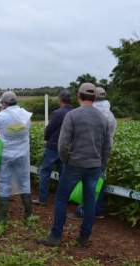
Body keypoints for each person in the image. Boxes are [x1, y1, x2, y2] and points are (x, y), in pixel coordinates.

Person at [38, 83, 111, 248]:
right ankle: (84, 239)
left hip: (74, 164)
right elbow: (107, 147)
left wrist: (66, 160)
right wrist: (102, 165)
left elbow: (63, 144)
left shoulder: (72, 115)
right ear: (94, 97)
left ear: (79, 95)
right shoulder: (102, 119)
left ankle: (56, 236)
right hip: (94, 166)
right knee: (90, 201)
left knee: (61, 198)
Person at [68, 86, 117, 220]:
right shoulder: (110, 114)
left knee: (88, 181)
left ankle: (84, 211)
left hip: (89, 153)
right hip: (104, 152)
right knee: (100, 180)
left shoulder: (92, 112)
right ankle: (98, 209)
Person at [0, 91, 33, 223]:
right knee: (25, 181)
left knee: (3, 182)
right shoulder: (25, 115)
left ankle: (1, 217)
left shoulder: (1, 116)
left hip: (6, 155)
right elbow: (27, 131)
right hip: (22, 155)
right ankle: (29, 215)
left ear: (4, 103)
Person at [32, 90, 73, 206]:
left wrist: (46, 138)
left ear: (60, 99)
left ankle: (42, 199)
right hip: (68, 148)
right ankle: (64, 199)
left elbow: (49, 129)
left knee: (45, 172)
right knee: (64, 174)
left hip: (53, 146)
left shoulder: (57, 113)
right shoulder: (75, 112)